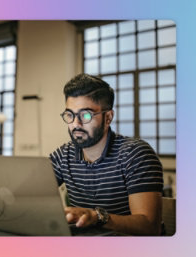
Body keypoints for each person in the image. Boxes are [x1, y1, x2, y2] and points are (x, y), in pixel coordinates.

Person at [49, 73, 164, 236]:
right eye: (70, 115)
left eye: (85, 115)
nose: (76, 124)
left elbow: (150, 227)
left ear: (108, 117)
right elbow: (27, 193)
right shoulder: (63, 155)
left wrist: (97, 217)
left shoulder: (136, 154)